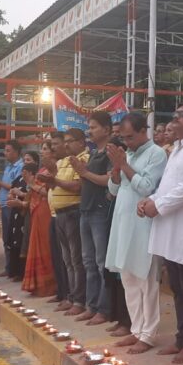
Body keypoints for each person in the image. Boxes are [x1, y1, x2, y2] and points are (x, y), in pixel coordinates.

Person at [139, 102, 183, 363]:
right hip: (169, 227)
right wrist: (150, 199)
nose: (176, 119)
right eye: (176, 114)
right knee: (177, 287)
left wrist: (158, 205)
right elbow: (167, 186)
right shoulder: (176, 149)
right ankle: (181, 338)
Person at [106, 112, 169, 354]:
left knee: (146, 280)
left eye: (130, 137)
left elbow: (145, 187)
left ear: (145, 131)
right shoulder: (128, 154)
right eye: (124, 138)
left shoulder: (157, 154)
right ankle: (136, 330)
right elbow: (114, 188)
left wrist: (124, 165)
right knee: (128, 278)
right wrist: (116, 168)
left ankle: (149, 335)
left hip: (143, 224)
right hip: (122, 223)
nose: (127, 142)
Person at [73, 112, 114, 325]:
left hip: (99, 211)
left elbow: (108, 181)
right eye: (89, 127)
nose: (90, 131)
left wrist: (84, 173)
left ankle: (103, 309)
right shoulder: (93, 152)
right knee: (88, 261)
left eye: (94, 127)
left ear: (107, 129)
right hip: (86, 210)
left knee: (101, 262)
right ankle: (91, 305)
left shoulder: (110, 151)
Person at [43, 128, 88, 317]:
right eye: (65, 141)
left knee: (77, 260)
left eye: (69, 141)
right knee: (67, 260)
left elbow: (77, 187)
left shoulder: (83, 159)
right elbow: (56, 185)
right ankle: (70, 297)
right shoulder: (62, 161)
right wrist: (48, 179)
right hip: (60, 214)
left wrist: (55, 180)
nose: (66, 144)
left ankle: (79, 300)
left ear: (81, 142)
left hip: (73, 213)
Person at [21, 160, 57, 298]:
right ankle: (37, 285)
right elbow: (30, 196)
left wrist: (31, 184)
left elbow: (47, 192)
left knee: (45, 247)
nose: (43, 152)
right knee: (37, 246)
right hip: (36, 212)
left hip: (46, 212)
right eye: (42, 149)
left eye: (46, 149)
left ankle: (49, 286)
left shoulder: (51, 172)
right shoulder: (42, 172)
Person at [0, 141, 24, 278]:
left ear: (16, 152)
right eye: (5, 150)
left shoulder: (19, 167)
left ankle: (14, 269)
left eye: (8, 150)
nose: (5, 153)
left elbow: (15, 187)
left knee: (13, 238)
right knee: (6, 238)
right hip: (4, 204)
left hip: (12, 205)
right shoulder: (8, 167)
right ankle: (8, 267)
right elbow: (5, 187)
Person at [42, 132, 70, 305]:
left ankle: (70, 296)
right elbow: (51, 187)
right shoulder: (58, 163)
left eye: (55, 144)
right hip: (55, 214)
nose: (53, 148)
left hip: (68, 214)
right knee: (57, 258)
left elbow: (74, 186)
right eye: (50, 145)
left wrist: (53, 174)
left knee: (69, 260)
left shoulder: (71, 162)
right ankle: (62, 293)